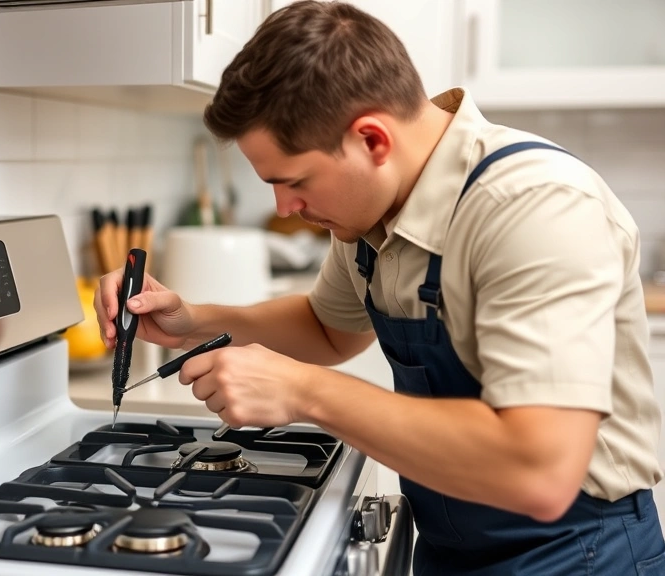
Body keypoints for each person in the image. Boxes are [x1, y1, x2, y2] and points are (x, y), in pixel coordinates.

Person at [92, 1, 665, 574]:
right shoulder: (372, 210)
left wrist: (305, 392)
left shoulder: (534, 208)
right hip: (450, 545)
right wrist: (193, 319)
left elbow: (538, 472)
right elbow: (328, 328)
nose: (285, 208)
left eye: (295, 182)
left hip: (579, 552)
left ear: (372, 140)